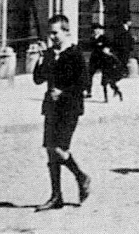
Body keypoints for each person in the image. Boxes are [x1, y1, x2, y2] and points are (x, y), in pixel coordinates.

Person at [33, 15, 92, 211]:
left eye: (55, 33)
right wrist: (41, 58)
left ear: (66, 32)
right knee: (51, 152)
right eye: (50, 33)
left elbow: (84, 83)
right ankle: (56, 196)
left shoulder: (75, 54)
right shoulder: (50, 53)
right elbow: (38, 79)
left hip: (70, 108)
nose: (52, 37)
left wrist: (63, 92)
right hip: (51, 107)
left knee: (59, 148)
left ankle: (81, 176)